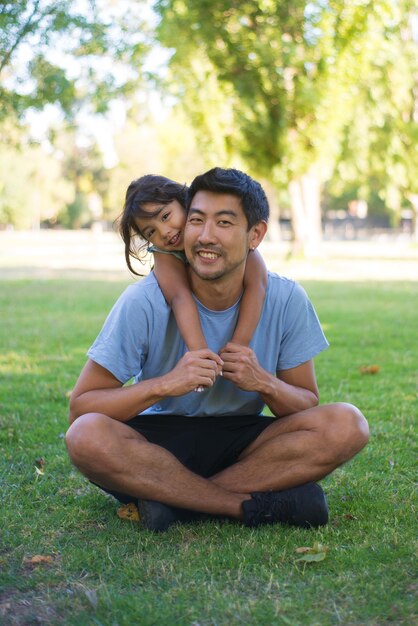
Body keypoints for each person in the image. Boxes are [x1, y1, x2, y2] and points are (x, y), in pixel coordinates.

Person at [66, 167, 369, 532]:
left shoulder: (285, 297)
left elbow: (305, 402)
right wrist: (165, 384)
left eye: (224, 223)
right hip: (158, 442)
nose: (205, 236)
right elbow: (81, 407)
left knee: (347, 424)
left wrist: (264, 382)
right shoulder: (144, 301)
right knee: (85, 436)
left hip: (246, 442)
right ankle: (243, 505)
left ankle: (173, 502)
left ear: (255, 234)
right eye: (197, 220)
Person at [119, 175, 267, 358]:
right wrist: (200, 353)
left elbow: (258, 284)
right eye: (151, 232)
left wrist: (239, 346)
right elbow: (180, 298)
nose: (164, 232)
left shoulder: (232, 244)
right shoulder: (165, 255)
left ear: (184, 202)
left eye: (165, 216)